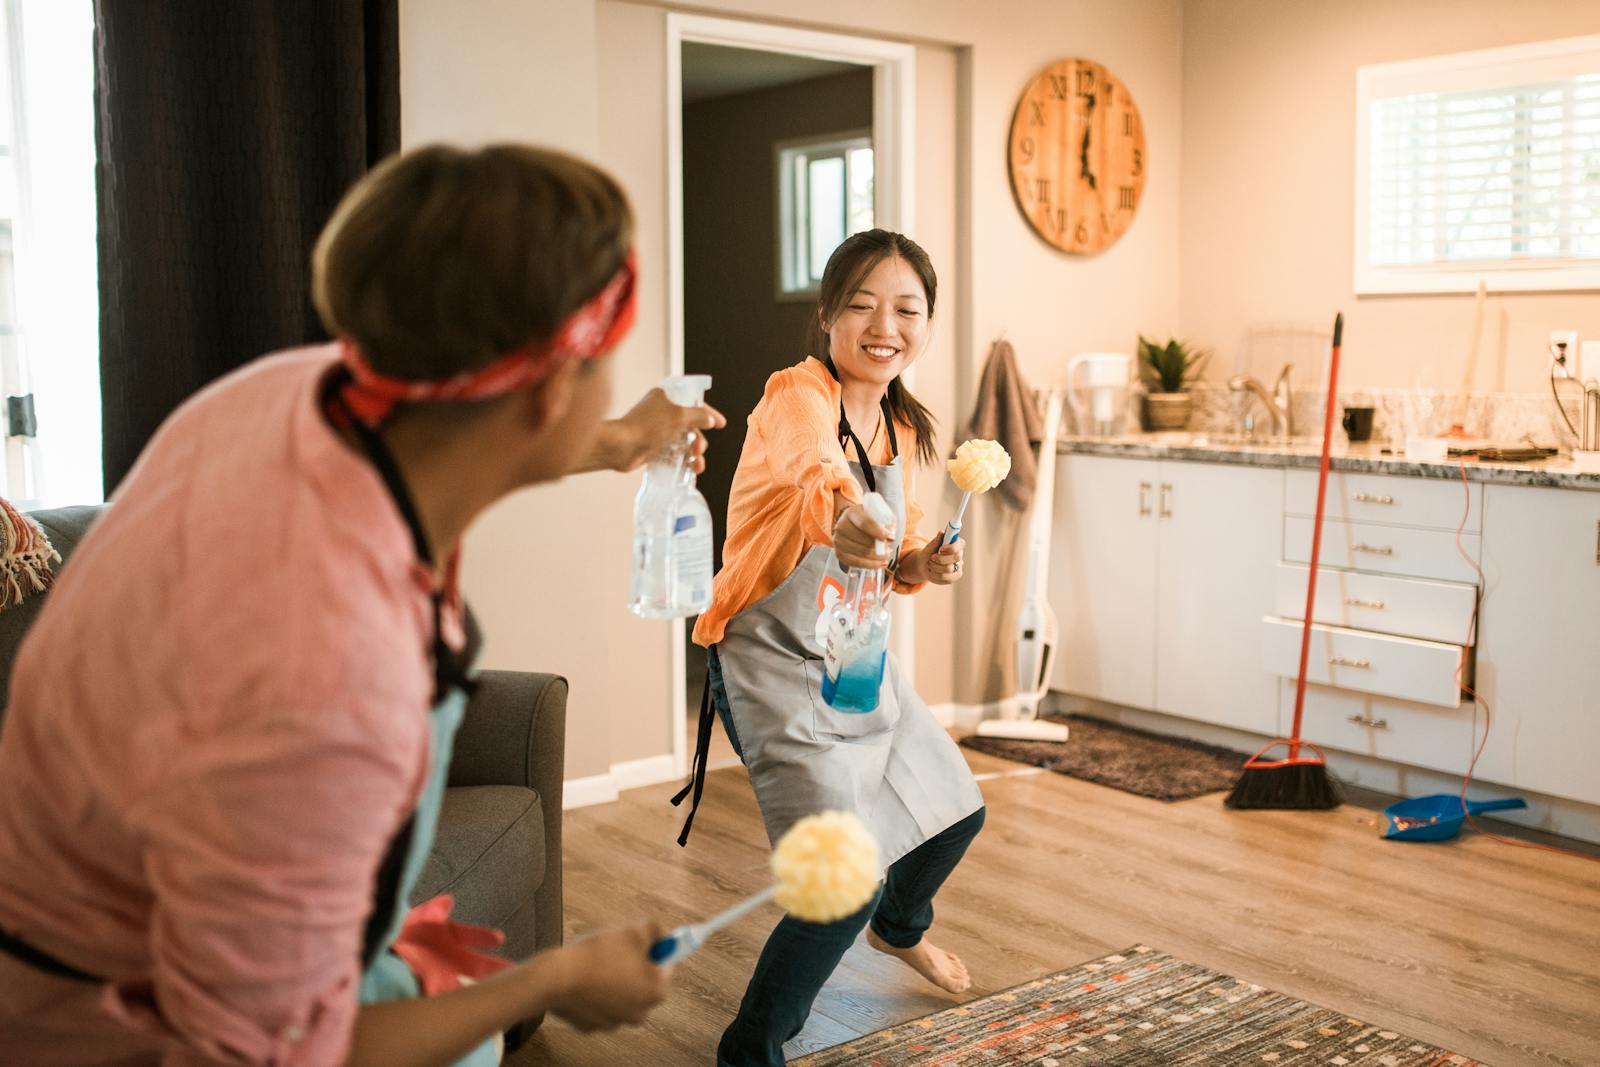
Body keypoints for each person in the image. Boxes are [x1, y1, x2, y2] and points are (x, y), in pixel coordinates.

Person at [0, 143, 723, 1066]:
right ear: (547, 391)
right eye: (607, 366)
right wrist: (552, 980)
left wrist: (620, 440)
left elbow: (467, 429)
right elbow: (290, 1053)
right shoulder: (341, 673)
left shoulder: (287, 393)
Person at [682, 229, 987, 1066]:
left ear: (926, 323)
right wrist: (849, 515)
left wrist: (923, 560)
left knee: (953, 810)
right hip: (768, 662)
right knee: (839, 878)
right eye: (860, 304)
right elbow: (817, 474)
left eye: (906, 308)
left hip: (854, 659)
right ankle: (752, 1046)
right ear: (826, 317)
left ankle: (902, 927)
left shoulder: (898, 425)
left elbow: (901, 549)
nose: (883, 324)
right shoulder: (796, 395)